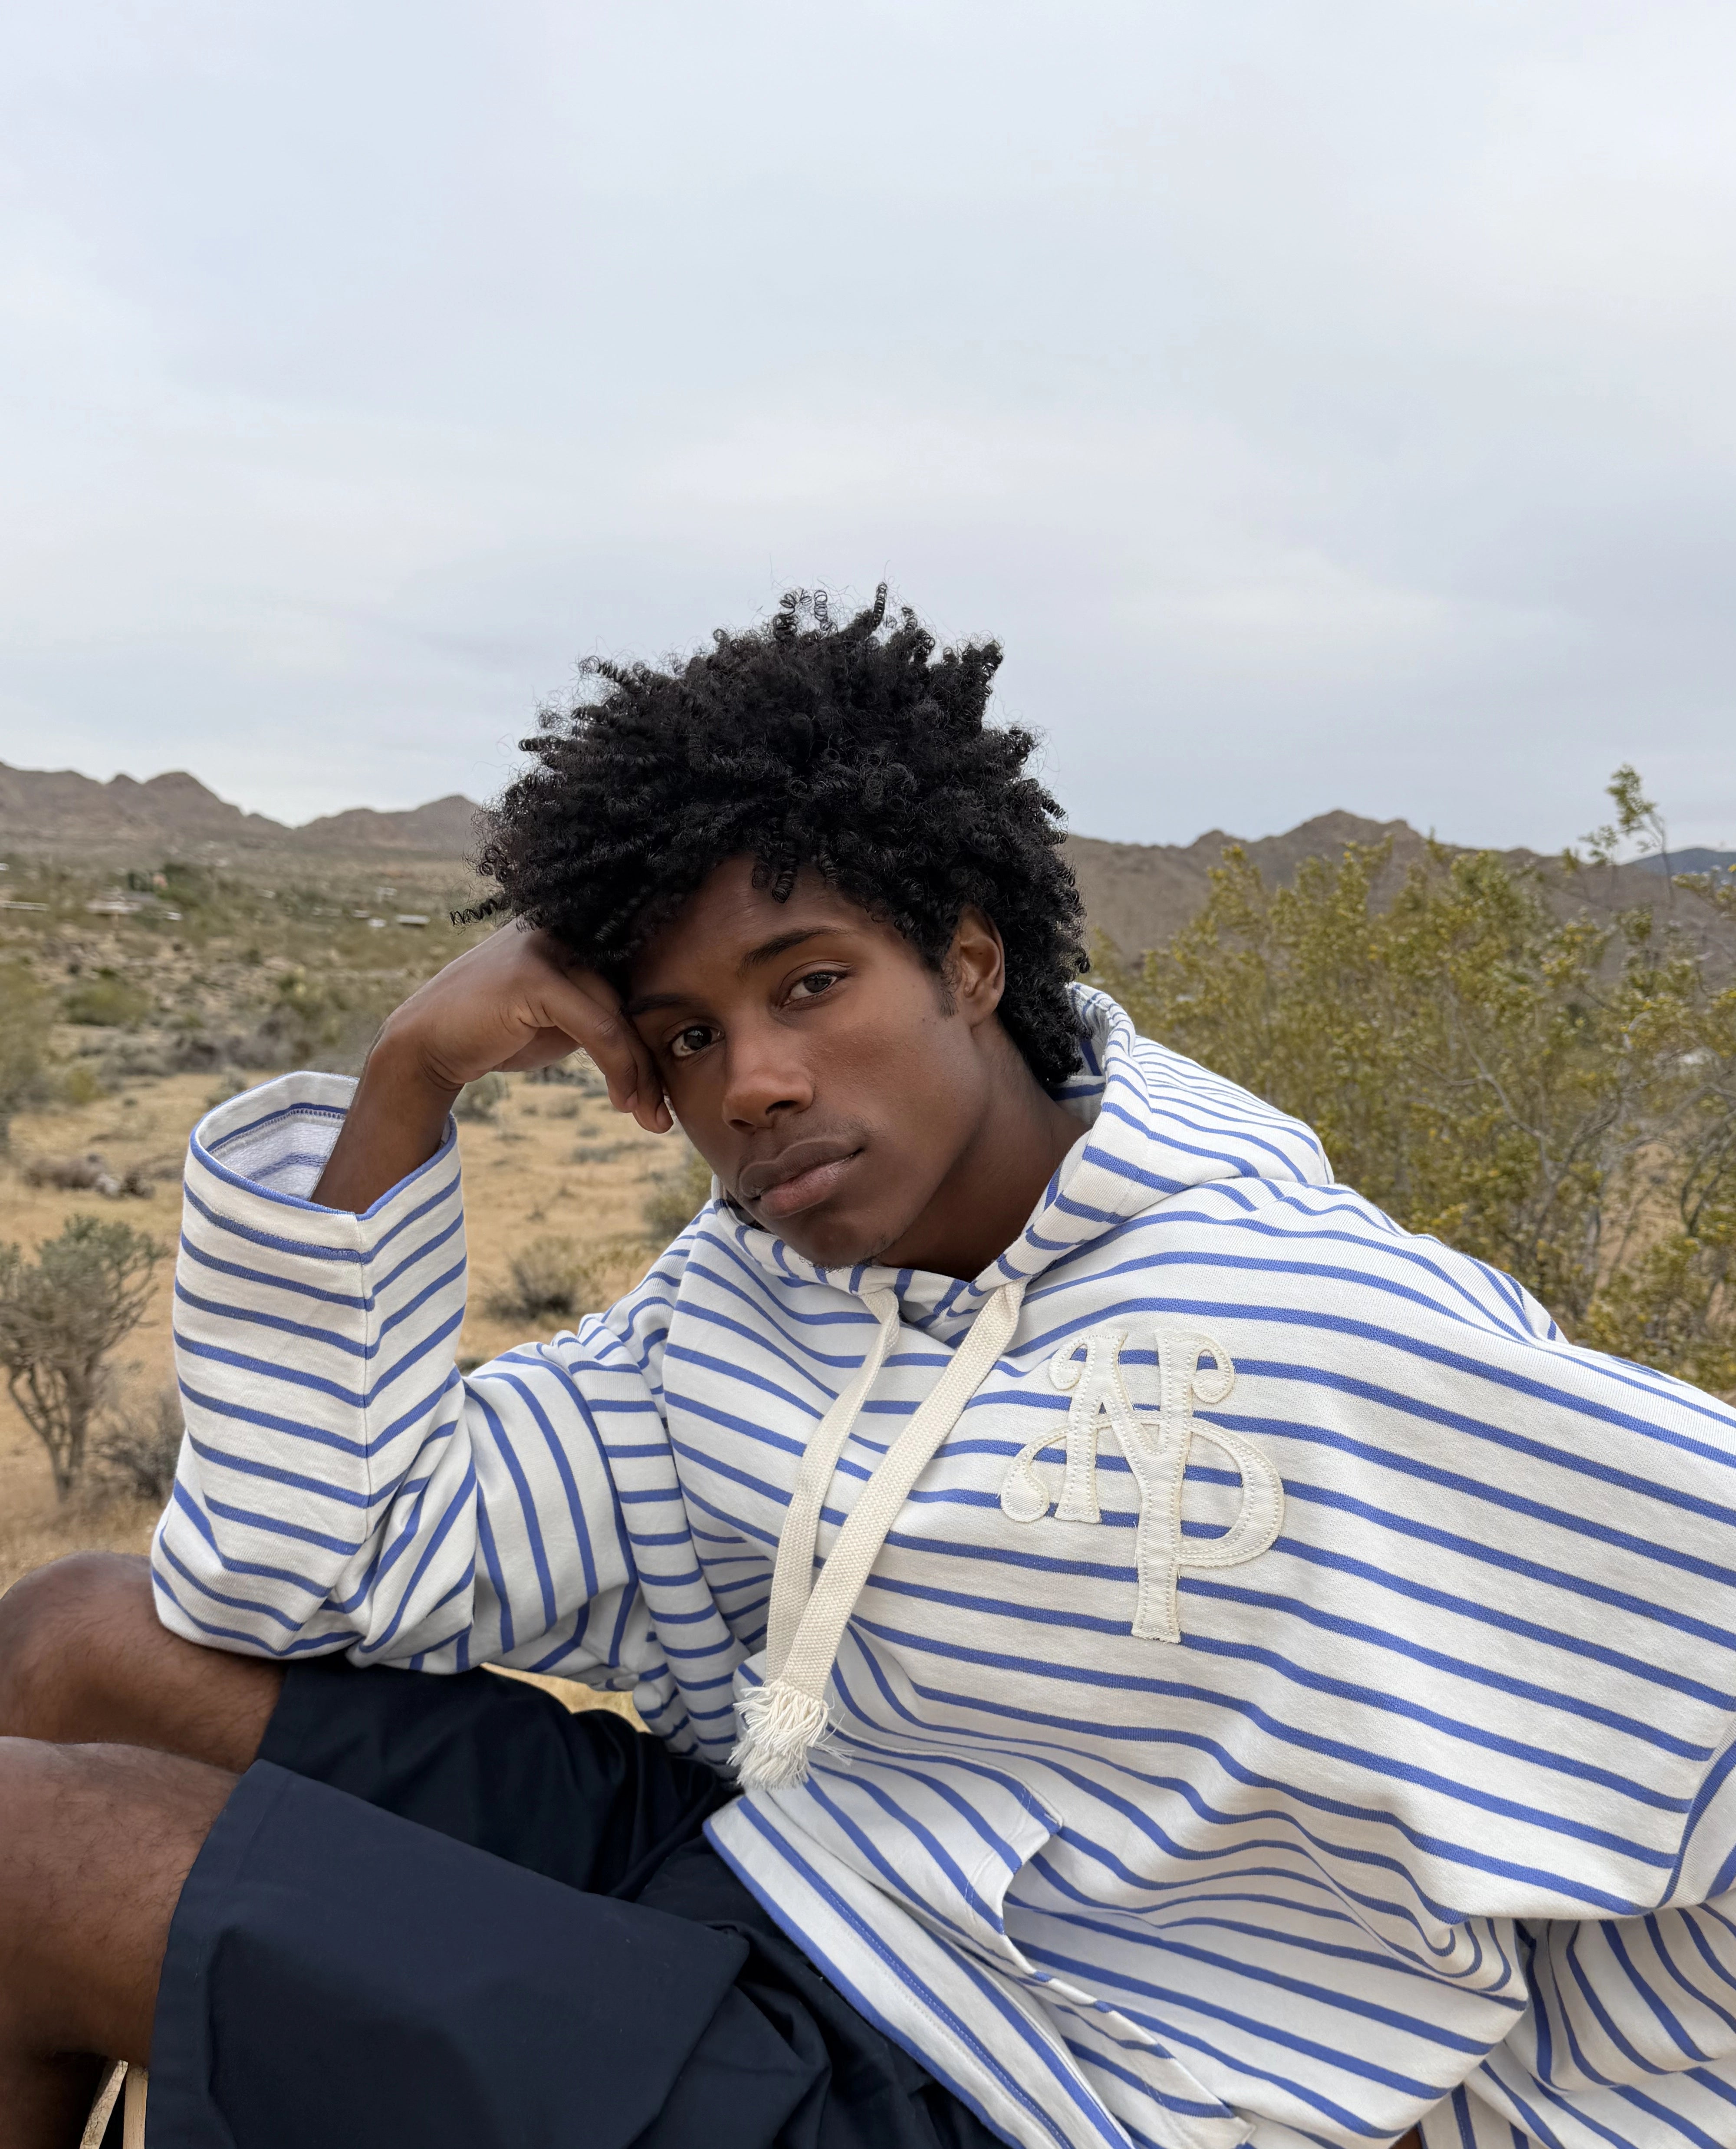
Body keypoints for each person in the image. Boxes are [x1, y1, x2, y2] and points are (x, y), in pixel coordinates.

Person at [0, 590, 1729, 2149]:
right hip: (772, 1879)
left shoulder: (1315, 1338)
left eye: (811, 982)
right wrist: (406, 1078)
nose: (750, 1081)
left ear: (970, 960)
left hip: (1026, 2085)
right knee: (73, 1637)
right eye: (685, 1034)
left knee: (33, 1854)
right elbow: (298, 1566)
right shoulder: (742, 1307)